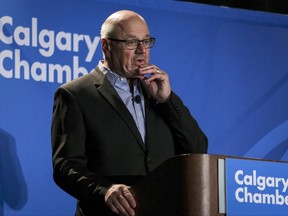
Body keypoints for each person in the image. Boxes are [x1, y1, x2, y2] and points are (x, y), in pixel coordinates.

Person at [51, 10, 208, 216]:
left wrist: (167, 101)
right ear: (106, 46)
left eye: (146, 41)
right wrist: (104, 190)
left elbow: (197, 149)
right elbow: (66, 166)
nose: (142, 51)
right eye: (131, 43)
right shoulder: (75, 95)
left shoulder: (157, 92)